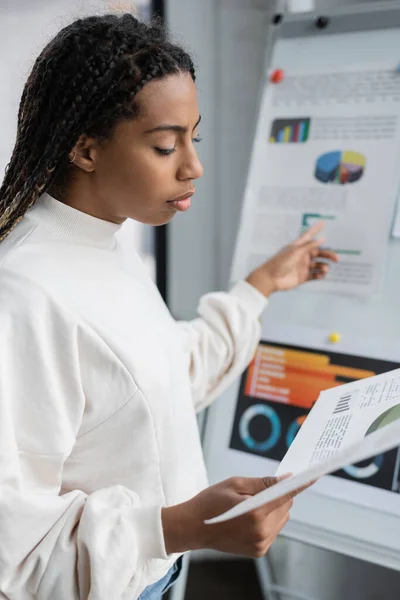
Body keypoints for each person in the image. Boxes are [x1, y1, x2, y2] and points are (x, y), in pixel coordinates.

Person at [0, 13, 338, 600]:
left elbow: (158, 383)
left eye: (193, 137)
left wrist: (260, 285)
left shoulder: (107, 241)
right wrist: (184, 524)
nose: (193, 166)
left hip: (159, 571)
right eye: (165, 144)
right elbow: (15, 545)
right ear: (85, 148)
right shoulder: (23, 293)